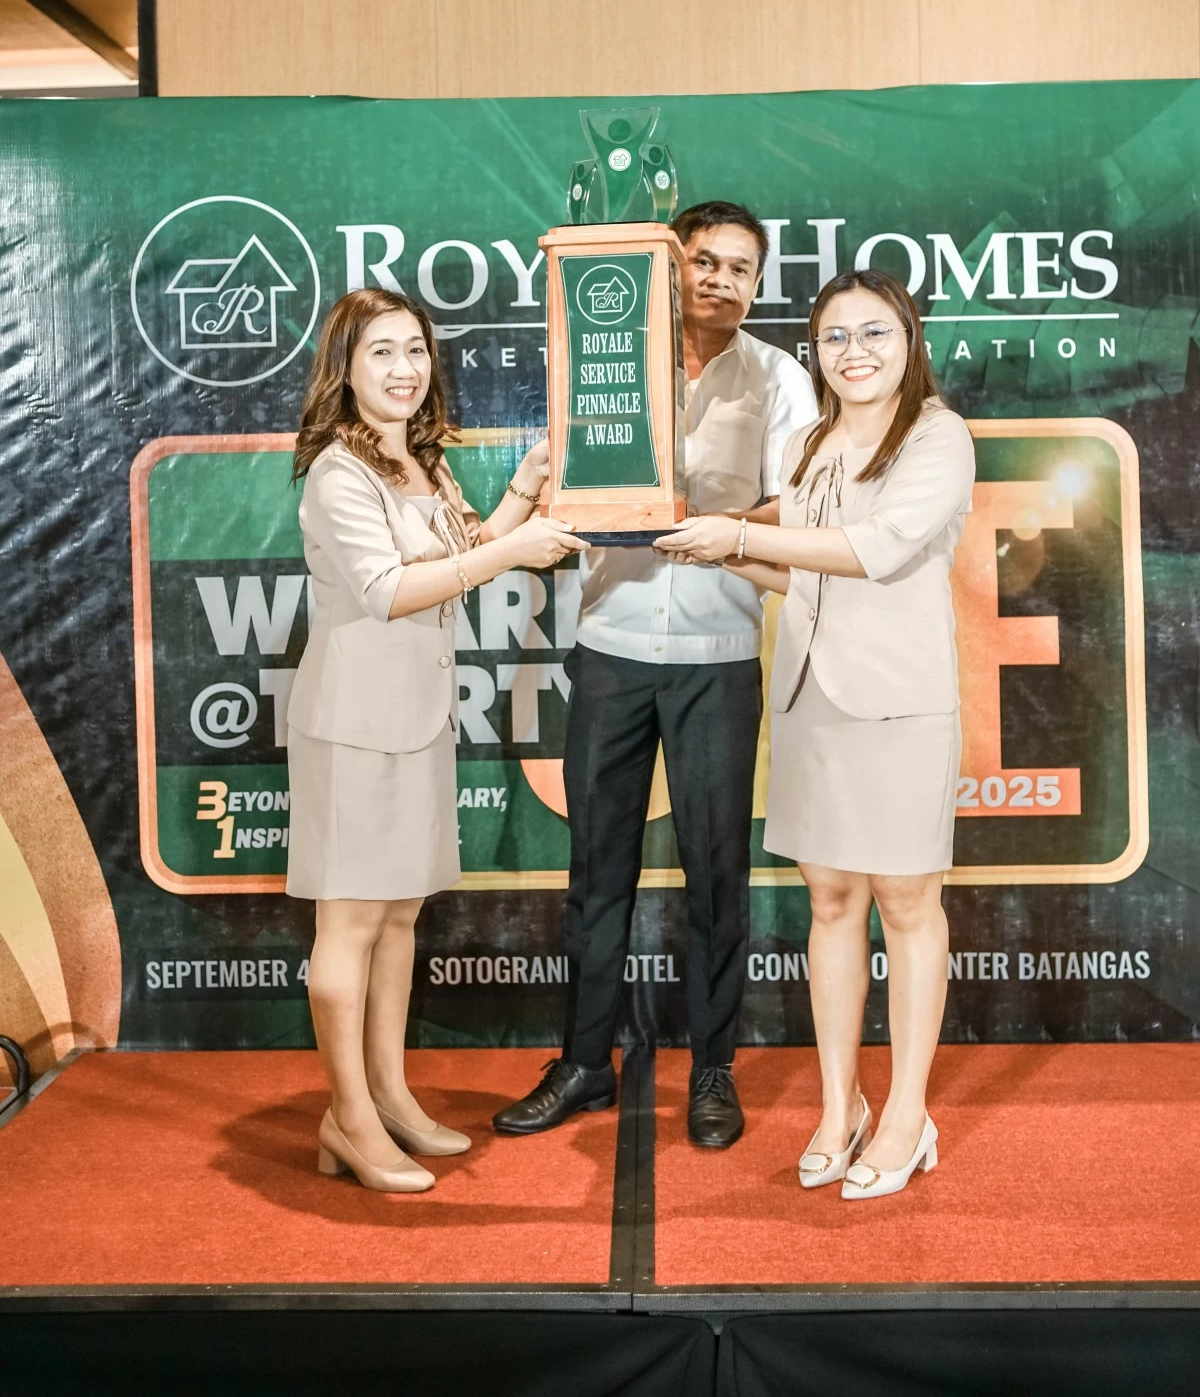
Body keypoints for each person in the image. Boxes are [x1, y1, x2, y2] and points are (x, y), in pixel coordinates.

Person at [493, 202, 818, 1148]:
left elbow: (800, 506)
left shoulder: (780, 378)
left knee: (719, 874)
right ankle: (584, 1062)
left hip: (721, 656)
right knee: (597, 870)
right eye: (703, 260)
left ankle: (713, 1069)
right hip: (612, 647)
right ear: (669, 269)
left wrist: (718, 524)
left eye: (740, 268)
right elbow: (564, 489)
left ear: (757, 284)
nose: (720, 279)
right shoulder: (606, 362)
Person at [658, 268, 974, 1200]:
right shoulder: (805, 443)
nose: (854, 352)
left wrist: (736, 536)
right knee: (830, 901)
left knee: (907, 904)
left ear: (908, 340)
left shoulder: (938, 435)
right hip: (809, 701)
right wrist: (690, 539)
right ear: (816, 351)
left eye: (874, 332)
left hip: (901, 704)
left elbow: (874, 551)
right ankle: (841, 1108)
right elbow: (804, 577)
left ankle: (908, 1114)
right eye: (835, 336)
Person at [287, 288, 578, 1194]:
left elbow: (462, 555)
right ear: (345, 367)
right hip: (353, 726)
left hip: (418, 719)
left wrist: (524, 488)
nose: (405, 368)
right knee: (350, 922)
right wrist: (515, 548)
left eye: (415, 349)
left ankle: (389, 1097)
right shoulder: (340, 471)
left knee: (400, 914)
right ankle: (347, 1117)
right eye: (381, 351)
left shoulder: (420, 460)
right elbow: (388, 589)